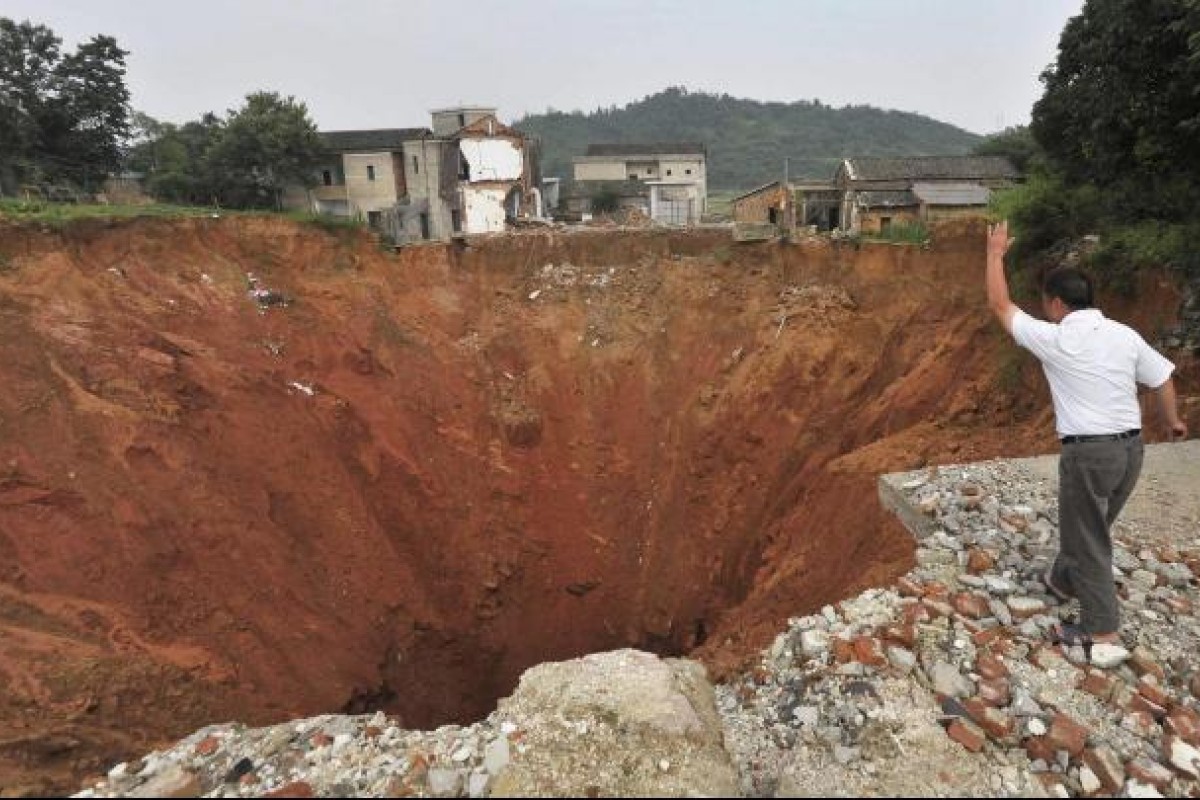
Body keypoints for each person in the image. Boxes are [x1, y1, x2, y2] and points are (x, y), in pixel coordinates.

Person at [985, 220, 1188, 652]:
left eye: (1046, 302)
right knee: (1091, 524)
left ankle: (1101, 630)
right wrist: (1173, 422)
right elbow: (1162, 378)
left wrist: (994, 254)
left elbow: (1001, 306)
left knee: (1090, 538)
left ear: (1057, 303)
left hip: (1090, 454)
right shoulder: (1124, 335)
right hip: (1131, 452)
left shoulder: (1057, 338)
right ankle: (1062, 581)